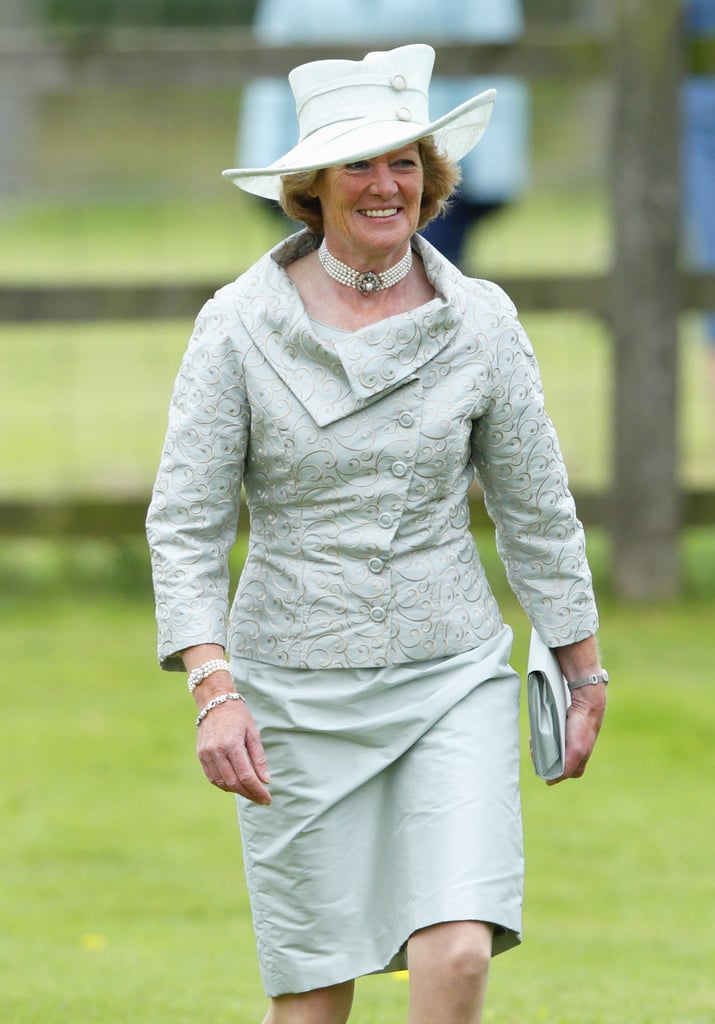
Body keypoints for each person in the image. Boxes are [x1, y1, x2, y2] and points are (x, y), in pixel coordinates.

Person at [146, 44, 607, 1024]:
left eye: (405, 161)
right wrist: (212, 687)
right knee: (314, 999)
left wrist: (583, 664)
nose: (385, 183)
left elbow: (534, 505)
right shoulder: (236, 326)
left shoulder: (480, 321)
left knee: (458, 952)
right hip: (291, 691)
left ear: (432, 179)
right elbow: (185, 521)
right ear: (312, 187)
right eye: (359, 163)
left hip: (450, 675)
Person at [237, 0, 530, 266]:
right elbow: (271, 67)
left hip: (428, 167)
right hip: (321, 166)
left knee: (427, 289)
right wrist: (269, 163)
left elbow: (495, 61)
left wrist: (492, 176)